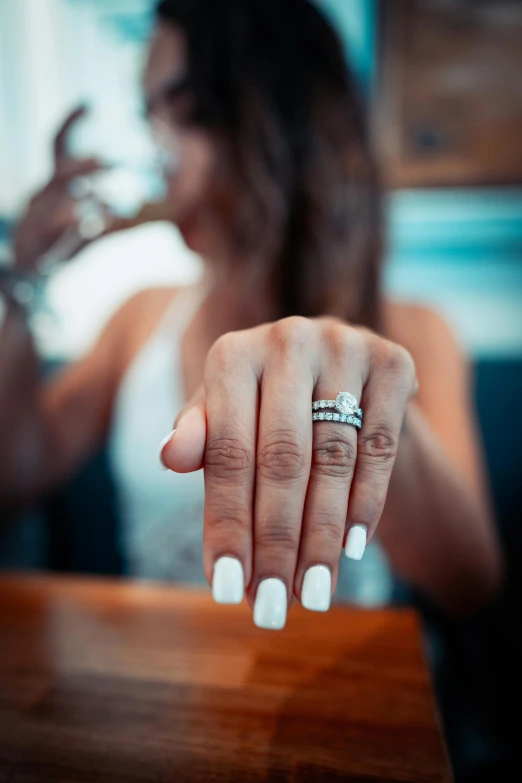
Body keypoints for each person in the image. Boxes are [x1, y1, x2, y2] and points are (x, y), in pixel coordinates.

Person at [0, 0, 502, 629]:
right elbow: (13, 476)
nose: (157, 148)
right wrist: (22, 279)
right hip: (150, 692)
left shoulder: (411, 333)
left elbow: (472, 583)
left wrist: (369, 412)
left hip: (339, 691)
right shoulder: (140, 318)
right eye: (146, 113)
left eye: (181, 112)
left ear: (270, 120)